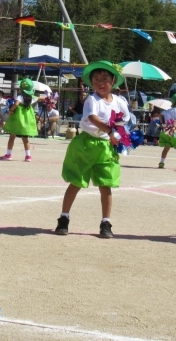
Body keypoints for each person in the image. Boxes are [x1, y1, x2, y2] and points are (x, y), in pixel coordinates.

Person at [56, 61, 129, 237]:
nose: (100, 82)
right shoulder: (92, 99)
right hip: (86, 144)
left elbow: (125, 119)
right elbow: (92, 117)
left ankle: (106, 222)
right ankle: (64, 218)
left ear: (113, 80)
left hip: (106, 147)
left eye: (104, 78)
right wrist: (110, 130)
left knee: (106, 185)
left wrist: (119, 134)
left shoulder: (119, 101)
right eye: (96, 79)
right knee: (76, 182)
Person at [0, 78, 37, 162]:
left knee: (12, 136)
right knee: (25, 138)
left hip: (17, 119)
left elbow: (16, 104)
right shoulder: (31, 98)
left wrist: (11, 110)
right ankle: (28, 156)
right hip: (26, 120)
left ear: (21, 89)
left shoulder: (20, 96)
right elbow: (40, 98)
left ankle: (9, 154)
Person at [158, 93, 176, 170]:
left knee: (166, 147)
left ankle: (161, 162)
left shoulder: (168, 110)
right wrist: (174, 127)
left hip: (167, 130)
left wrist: (162, 123)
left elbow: (160, 115)